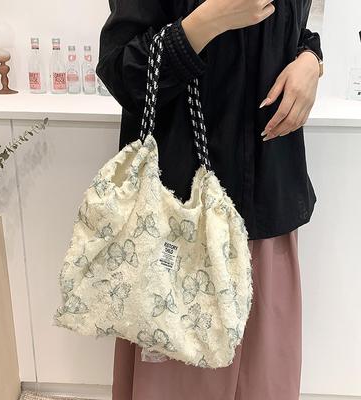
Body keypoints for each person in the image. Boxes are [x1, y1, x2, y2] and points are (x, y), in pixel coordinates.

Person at [95, 0, 323, 399]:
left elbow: (291, 30)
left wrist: (311, 60)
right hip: (180, 223)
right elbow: (122, 71)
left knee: (265, 383)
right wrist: (204, 24)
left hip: (266, 209)